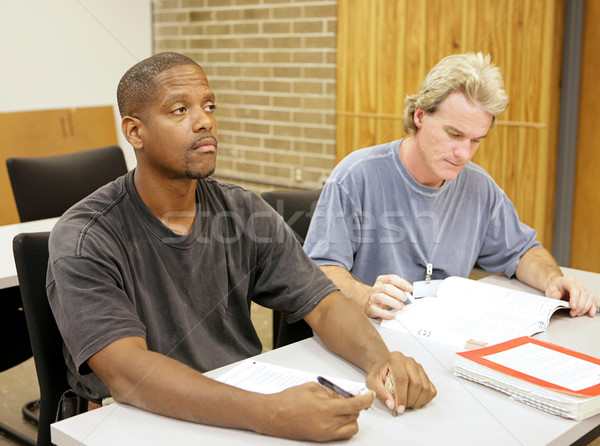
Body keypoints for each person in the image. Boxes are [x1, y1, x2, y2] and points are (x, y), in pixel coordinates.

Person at [46, 52, 436, 442]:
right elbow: (127, 372)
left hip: (236, 404)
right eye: (180, 109)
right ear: (135, 132)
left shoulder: (243, 210)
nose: (205, 121)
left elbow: (325, 303)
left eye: (209, 106)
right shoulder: (86, 236)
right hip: (135, 421)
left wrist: (380, 360)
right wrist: (269, 412)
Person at [303, 52, 597, 320]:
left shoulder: (478, 186)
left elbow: (521, 252)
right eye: (454, 134)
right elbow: (320, 271)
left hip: (442, 336)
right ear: (420, 116)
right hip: (369, 338)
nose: (464, 154)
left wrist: (552, 280)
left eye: (475, 140)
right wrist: (367, 296)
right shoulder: (356, 176)